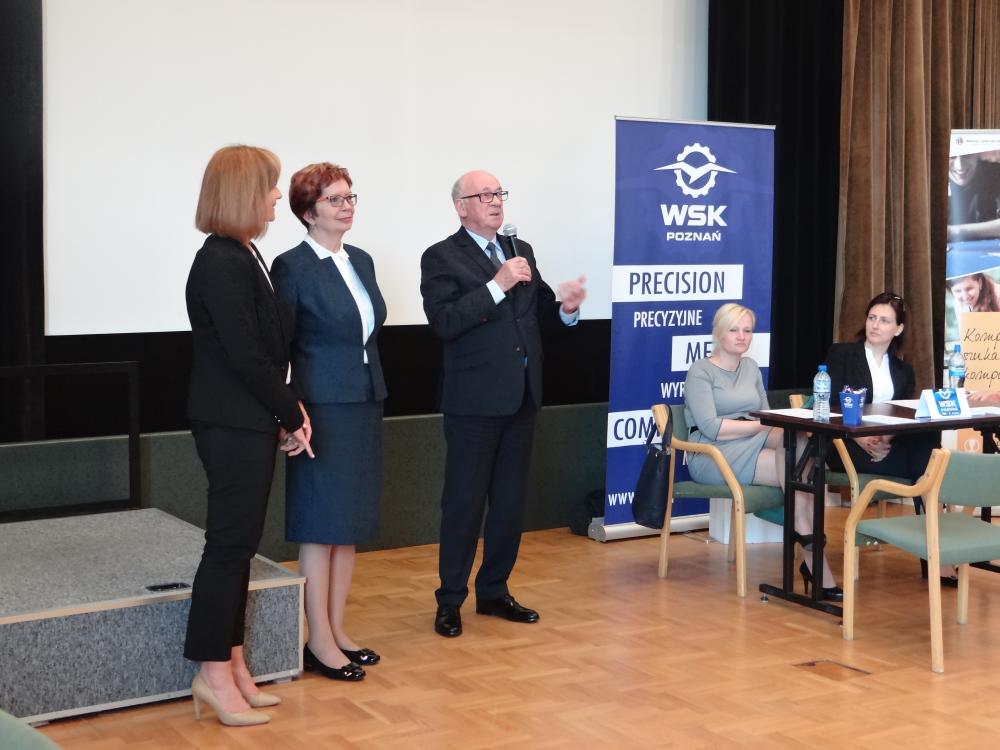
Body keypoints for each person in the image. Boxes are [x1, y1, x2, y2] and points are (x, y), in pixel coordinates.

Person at [420, 170, 586, 637]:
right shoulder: (441, 256)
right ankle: (450, 599)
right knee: (464, 504)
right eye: (484, 195)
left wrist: (567, 309)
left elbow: (538, 316)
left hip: (522, 397)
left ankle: (494, 590)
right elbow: (445, 322)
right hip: (474, 402)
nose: (495, 201)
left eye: (498, 193)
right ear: (461, 207)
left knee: (510, 505)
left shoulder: (519, 249)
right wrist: (496, 285)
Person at [184, 145, 314, 727]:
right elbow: (245, 356)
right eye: (269, 185)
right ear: (242, 192)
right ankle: (212, 673)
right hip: (231, 421)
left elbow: (269, 349)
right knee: (228, 548)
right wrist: (292, 413)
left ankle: (232, 663)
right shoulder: (220, 261)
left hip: (249, 419)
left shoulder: (244, 253)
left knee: (239, 549)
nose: (276, 195)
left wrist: (286, 411)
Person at [272, 163, 386, 682]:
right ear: (307, 211)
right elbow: (280, 347)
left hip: (363, 401)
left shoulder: (360, 260)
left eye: (350, 197)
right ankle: (316, 639)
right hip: (318, 409)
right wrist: (289, 412)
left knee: (348, 525)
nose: (347, 206)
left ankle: (337, 631)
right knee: (321, 525)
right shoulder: (291, 266)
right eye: (335, 199)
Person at [684, 303, 842, 600]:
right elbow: (711, 427)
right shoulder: (700, 371)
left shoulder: (751, 367)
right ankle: (812, 553)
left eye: (747, 330)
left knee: (797, 442)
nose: (741, 336)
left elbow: (765, 413)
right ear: (719, 332)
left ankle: (804, 535)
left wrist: (770, 424)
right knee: (797, 468)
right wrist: (759, 425)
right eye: (734, 330)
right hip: (712, 453)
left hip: (752, 439)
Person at [824, 292, 938, 485]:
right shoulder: (842, 354)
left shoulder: (904, 370)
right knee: (928, 466)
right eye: (872, 318)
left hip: (884, 443)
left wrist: (883, 439)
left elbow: (902, 413)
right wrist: (862, 438)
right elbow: (832, 404)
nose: (875, 325)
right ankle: (931, 500)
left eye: (884, 321)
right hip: (846, 441)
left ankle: (928, 494)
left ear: (898, 329)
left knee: (928, 435)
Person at [948, 151, 1000, 242]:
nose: (960, 166)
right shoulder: (928, 178)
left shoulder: (996, 173)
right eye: (952, 157)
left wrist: (954, 231)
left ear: (977, 154)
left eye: (967, 155)